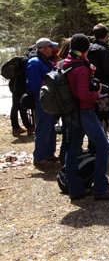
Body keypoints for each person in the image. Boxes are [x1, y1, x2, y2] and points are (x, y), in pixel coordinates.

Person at [63, 34, 109, 201]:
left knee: (72, 150)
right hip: (84, 112)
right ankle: (101, 188)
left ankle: (75, 189)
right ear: (86, 48)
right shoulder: (81, 67)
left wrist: (101, 88)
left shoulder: (66, 63)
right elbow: (84, 94)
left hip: (70, 113)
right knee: (103, 147)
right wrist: (98, 96)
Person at [26, 38, 59, 168]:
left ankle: (49, 153)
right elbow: (35, 85)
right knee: (43, 127)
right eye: (51, 47)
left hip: (50, 99)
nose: (53, 49)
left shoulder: (46, 61)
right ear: (45, 48)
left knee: (52, 127)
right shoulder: (34, 62)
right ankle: (39, 157)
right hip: (42, 99)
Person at [8, 47, 35, 136]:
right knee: (23, 106)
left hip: (14, 86)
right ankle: (29, 127)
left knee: (15, 106)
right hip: (20, 87)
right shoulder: (28, 61)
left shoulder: (22, 60)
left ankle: (15, 127)